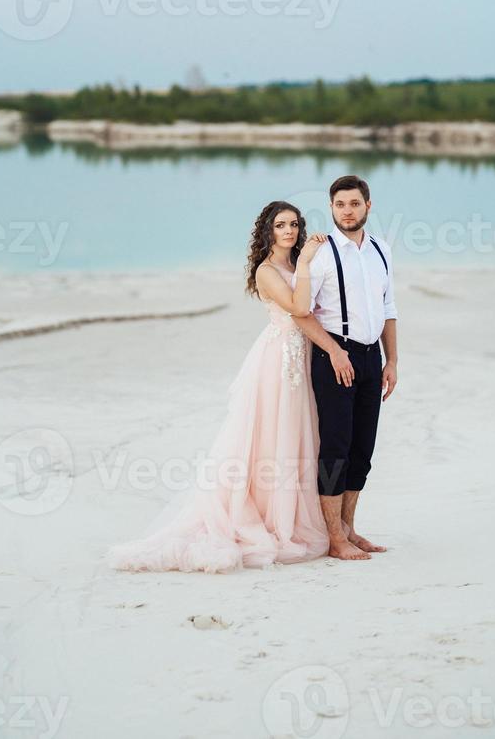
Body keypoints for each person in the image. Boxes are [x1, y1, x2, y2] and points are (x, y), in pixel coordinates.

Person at [104, 201, 330, 573]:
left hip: (302, 357)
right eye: (280, 226)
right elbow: (299, 308)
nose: (289, 231)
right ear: (267, 232)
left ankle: (291, 514)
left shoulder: (293, 264)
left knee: (297, 436)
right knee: (272, 435)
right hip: (278, 361)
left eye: (294, 224)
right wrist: (306, 264)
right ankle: (267, 519)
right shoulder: (267, 270)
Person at [292, 175, 398, 561]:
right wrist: (335, 352)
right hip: (335, 357)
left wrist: (392, 361)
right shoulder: (320, 253)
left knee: (362, 449)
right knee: (335, 448)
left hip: (372, 359)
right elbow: (301, 313)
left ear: (368, 205)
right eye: (340, 205)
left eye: (354, 204)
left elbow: (389, 309)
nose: (347, 211)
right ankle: (334, 537)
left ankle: (350, 529)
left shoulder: (381, 250)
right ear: (332, 208)